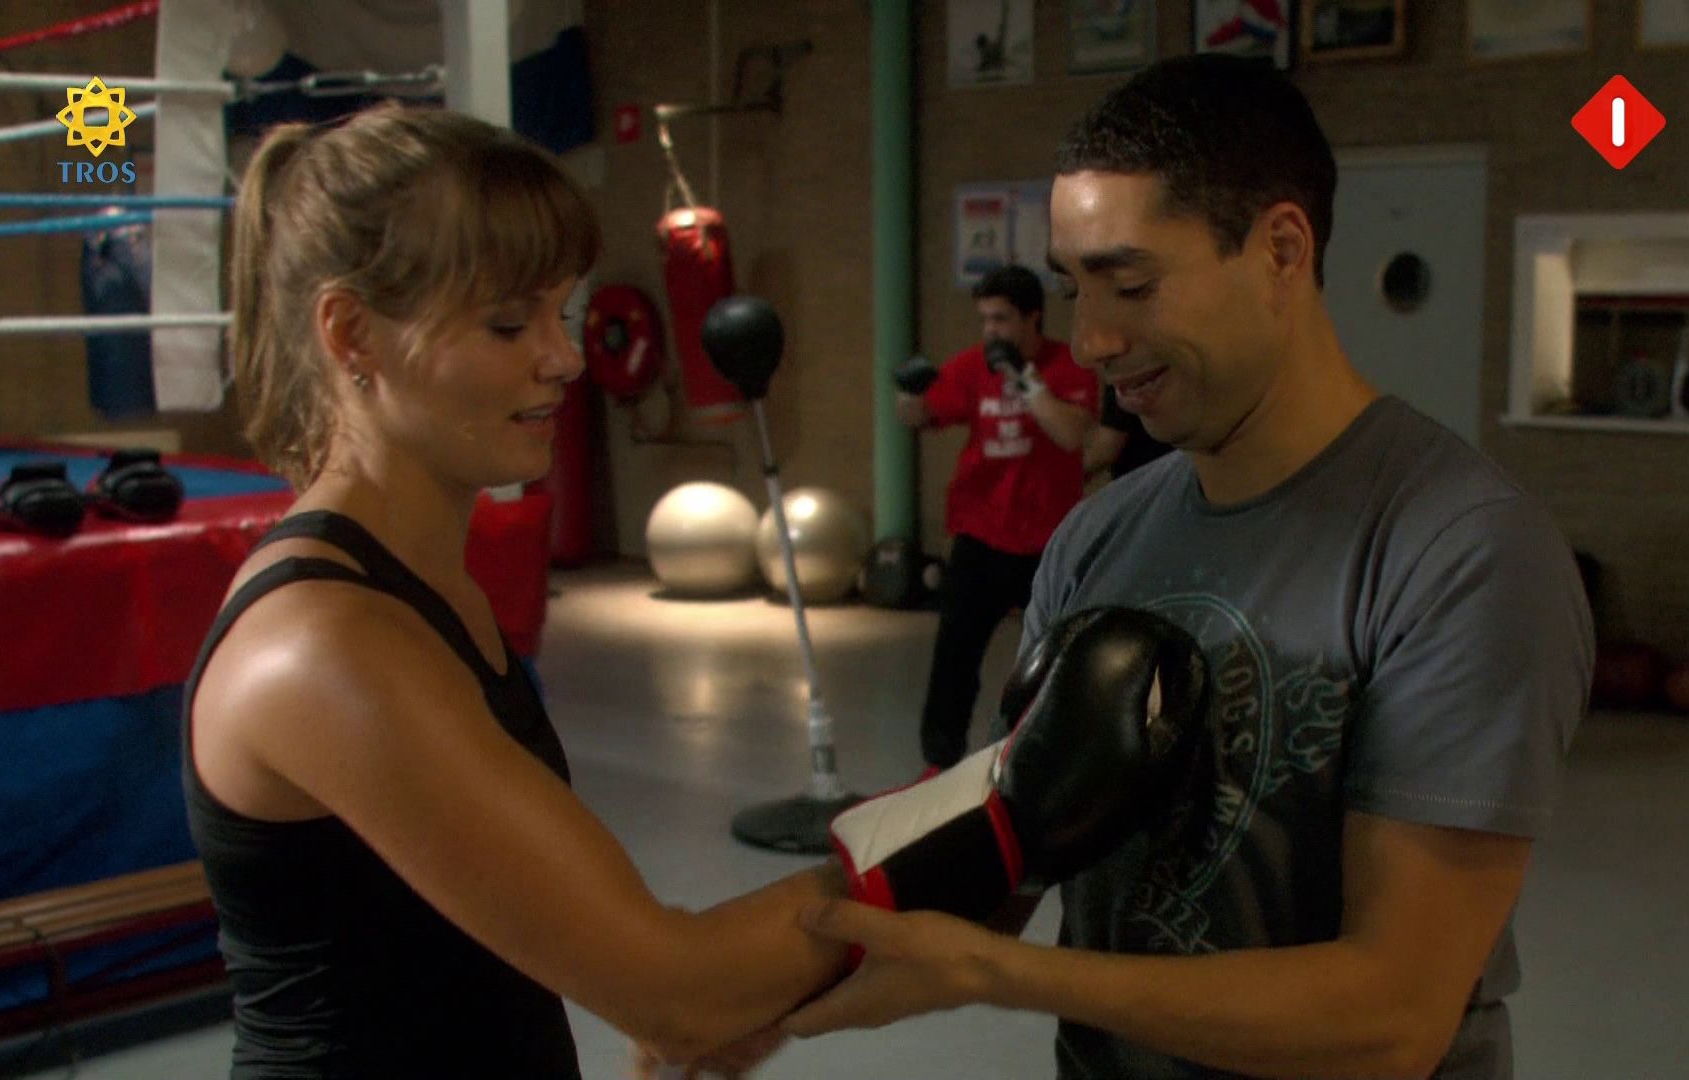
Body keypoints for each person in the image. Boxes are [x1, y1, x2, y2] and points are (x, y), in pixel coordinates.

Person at [778, 55, 1594, 1080]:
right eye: (1074, 289)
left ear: (1281, 250)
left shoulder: (1462, 552)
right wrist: (743, 992)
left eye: (1132, 285)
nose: (1092, 338)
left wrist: (999, 974)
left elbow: (1393, 1017)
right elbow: (1005, 851)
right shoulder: (1098, 536)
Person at [185, 104, 853, 1078]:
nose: (564, 357)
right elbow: (681, 989)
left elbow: (589, 971)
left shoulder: (422, 588)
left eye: (561, 314)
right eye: (508, 323)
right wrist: (983, 829)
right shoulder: (325, 645)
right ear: (352, 333)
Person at [896, 264, 1098, 774]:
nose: (990, 331)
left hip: (1049, 540)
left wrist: (1023, 379)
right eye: (985, 319)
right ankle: (938, 765)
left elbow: (1071, 434)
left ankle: (1049, 764)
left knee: (1057, 661)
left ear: (1033, 318)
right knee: (954, 657)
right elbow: (920, 415)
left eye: (1001, 319)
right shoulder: (971, 367)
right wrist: (909, 393)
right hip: (981, 532)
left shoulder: (1068, 366)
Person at [1084, 382, 1174, 482]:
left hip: (1144, 478)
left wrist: (1073, 469)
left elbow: (1104, 451)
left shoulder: (1123, 382)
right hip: (1170, 470)